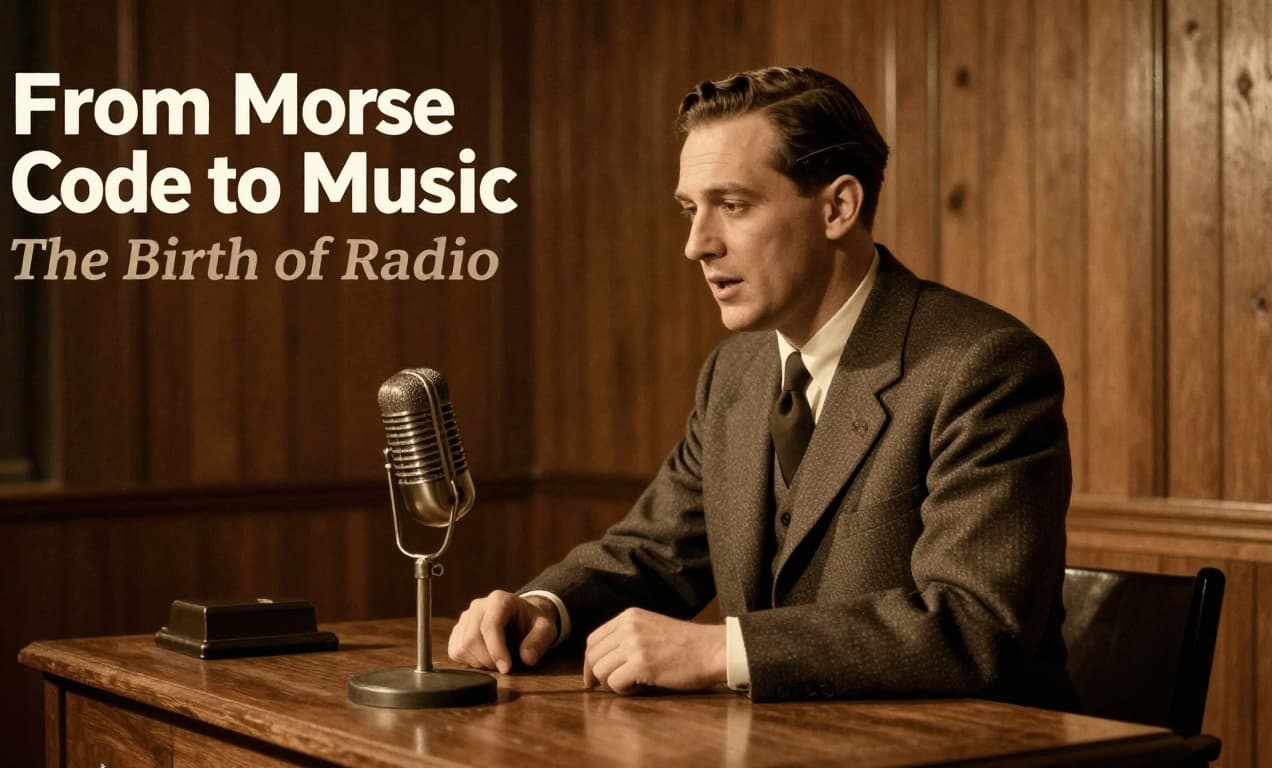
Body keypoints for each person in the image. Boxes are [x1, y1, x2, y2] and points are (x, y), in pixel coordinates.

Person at [448, 66, 1074, 705]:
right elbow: (656, 552)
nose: (697, 245)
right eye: (691, 209)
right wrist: (545, 607)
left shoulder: (985, 363)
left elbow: (976, 624)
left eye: (734, 205)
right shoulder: (734, 372)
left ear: (837, 208)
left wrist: (724, 650)